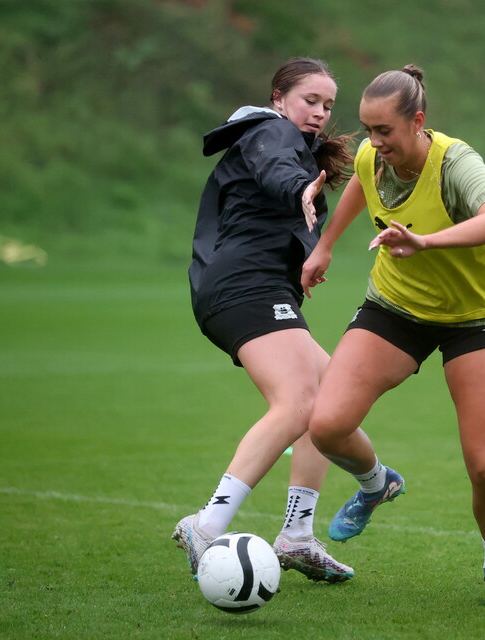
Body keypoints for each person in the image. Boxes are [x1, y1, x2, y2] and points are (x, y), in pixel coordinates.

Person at [301, 65, 485, 608]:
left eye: (385, 132)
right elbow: (359, 179)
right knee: (326, 425)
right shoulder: (372, 155)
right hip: (395, 307)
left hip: (473, 317)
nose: (375, 143)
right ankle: (378, 484)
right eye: (368, 130)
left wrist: (427, 243)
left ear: (417, 122)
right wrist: (326, 245)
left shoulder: (455, 162)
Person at [171, 57, 357, 583]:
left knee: (330, 396)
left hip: (257, 287)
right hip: (240, 287)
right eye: (309, 101)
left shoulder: (290, 145)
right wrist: (299, 189)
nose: (319, 113)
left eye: (327, 105)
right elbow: (280, 173)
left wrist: (303, 262)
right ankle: (207, 524)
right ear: (279, 98)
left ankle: (297, 536)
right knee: (299, 401)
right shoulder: (271, 131)